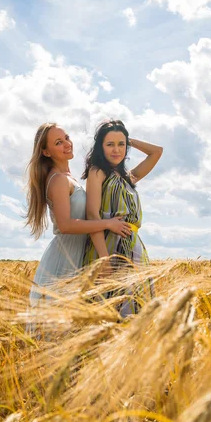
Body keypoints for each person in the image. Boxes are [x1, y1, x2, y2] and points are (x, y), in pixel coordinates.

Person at [25, 123, 132, 306]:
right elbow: (65, 225)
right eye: (59, 142)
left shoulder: (68, 177)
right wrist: (107, 224)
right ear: (46, 152)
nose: (67, 144)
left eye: (66, 137)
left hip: (79, 256)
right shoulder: (58, 180)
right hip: (65, 259)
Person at [82, 119, 163, 317]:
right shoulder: (97, 172)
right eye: (110, 144)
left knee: (137, 311)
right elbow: (92, 215)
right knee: (107, 310)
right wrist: (104, 259)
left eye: (121, 144)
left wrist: (128, 139)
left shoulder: (129, 176)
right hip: (108, 247)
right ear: (101, 147)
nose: (116, 150)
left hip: (134, 250)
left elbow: (157, 152)